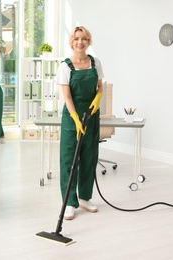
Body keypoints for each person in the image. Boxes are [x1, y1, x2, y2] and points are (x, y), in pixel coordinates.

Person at [56, 26, 104, 220]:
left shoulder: (95, 62)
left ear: (88, 41)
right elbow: (67, 97)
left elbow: (100, 86)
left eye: (84, 39)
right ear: (71, 42)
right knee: (69, 160)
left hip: (91, 114)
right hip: (72, 117)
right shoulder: (65, 66)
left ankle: (85, 198)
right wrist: (75, 119)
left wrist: (98, 98)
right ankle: (69, 201)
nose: (80, 42)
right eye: (76, 39)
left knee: (89, 156)